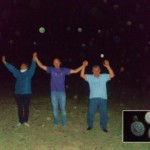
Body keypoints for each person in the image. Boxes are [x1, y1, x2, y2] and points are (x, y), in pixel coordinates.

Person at [34, 52, 85, 127]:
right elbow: (41, 66)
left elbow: (76, 71)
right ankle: (56, 123)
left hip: (62, 92)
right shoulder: (51, 69)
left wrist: (83, 65)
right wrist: (35, 58)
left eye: (57, 62)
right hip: (53, 92)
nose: (56, 63)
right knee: (55, 109)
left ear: (60, 63)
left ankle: (64, 124)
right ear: (53, 63)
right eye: (55, 62)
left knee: (63, 109)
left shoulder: (64, 70)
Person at [2, 53, 36, 127]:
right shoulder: (17, 72)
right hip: (18, 93)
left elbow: (33, 66)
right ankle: (21, 121)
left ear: (26, 67)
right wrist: (5, 62)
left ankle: (25, 121)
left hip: (27, 92)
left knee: (26, 107)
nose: (21, 66)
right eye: (21, 65)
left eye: (23, 65)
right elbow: (12, 68)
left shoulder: (29, 73)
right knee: (20, 107)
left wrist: (33, 58)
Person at [80, 60, 115, 132]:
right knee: (91, 112)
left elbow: (112, 75)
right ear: (92, 71)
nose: (96, 72)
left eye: (97, 70)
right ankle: (90, 125)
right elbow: (82, 75)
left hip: (103, 98)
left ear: (100, 71)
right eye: (94, 70)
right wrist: (83, 66)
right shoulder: (90, 77)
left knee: (103, 113)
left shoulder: (104, 76)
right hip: (93, 98)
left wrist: (108, 66)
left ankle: (104, 127)